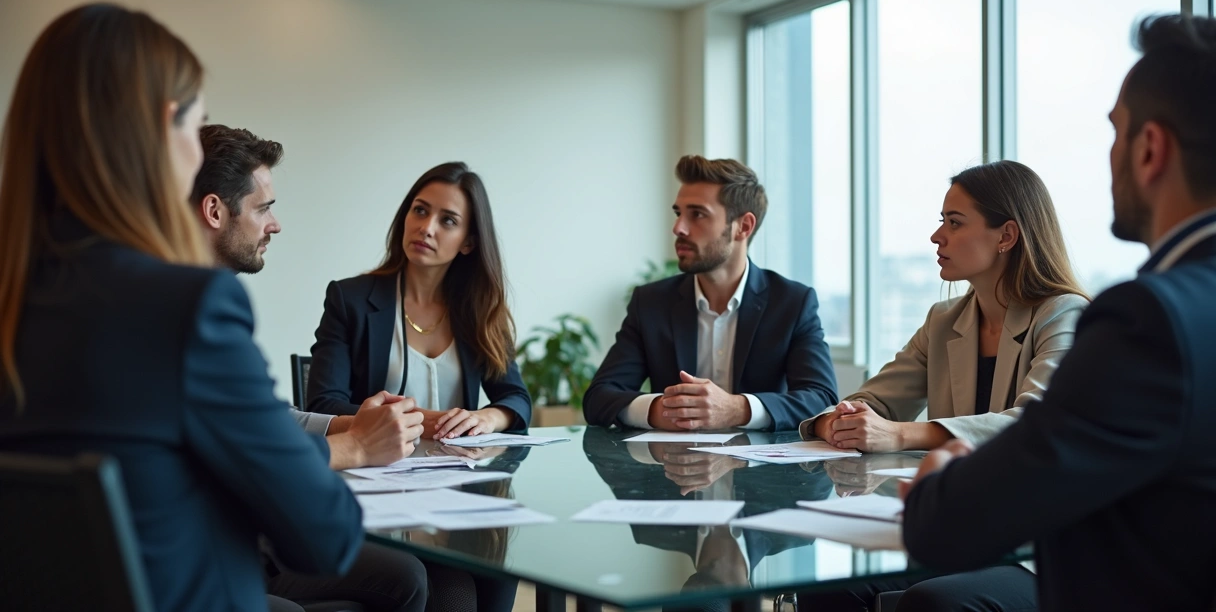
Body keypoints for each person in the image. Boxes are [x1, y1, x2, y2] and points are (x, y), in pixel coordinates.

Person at [0, 3, 361, 611]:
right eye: (196, 122)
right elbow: (326, 537)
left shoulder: (18, 299)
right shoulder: (184, 308)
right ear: (164, 130)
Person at [902, 13, 1216, 612]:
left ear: (1149, 149)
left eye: (1116, 133)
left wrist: (944, 460)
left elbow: (951, 523)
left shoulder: (1148, 322)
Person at [190, 124, 427, 612]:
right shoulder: (197, 308)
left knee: (408, 576)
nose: (275, 224)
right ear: (215, 211)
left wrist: (353, 424)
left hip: (230, 534)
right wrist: (356, 445)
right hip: (205, 548)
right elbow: (258, 456)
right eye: (264, 208)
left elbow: (265, 420)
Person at [802, 160, 1089, 454]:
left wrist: (900, 435)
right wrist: (837, 422)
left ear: (1006, 236)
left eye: (955, 222)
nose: (937, 237)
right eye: (943, 222)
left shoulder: (1064, 315)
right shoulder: (943, 320)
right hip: (956, 493)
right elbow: (875, 401)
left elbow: (1037, 422)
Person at [583, 155, 838, 431]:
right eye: (678, 213)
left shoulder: (792, 303)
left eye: (698, 214)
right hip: (672, 469)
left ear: (743, 226)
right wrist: (662, 409)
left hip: (761, 472)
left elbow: (821, 399)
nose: (678, 228)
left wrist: (736, 409)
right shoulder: (651, 303)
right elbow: (599, 398)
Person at [305, 162, 532, 441]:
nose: (426, 228)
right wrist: (431, 422)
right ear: (405, 217)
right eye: (420, 211)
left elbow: (516, 398)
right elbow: (323, 406)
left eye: (448, 220)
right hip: (375, 470)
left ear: (468, 242)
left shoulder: (480, 307)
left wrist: (486, 417)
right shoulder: (350, 299)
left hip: (461, 474)